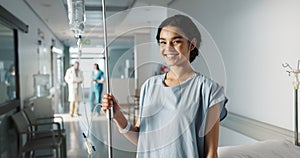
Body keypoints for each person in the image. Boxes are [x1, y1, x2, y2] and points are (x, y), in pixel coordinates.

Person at [102, 14, 228, 158]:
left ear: (192, 44)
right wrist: (118, 116)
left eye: (176, 41)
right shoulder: (149, 86)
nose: (168, 48)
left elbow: (211, 152)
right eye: (163, 42)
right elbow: (141, 139)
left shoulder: (208, 90)